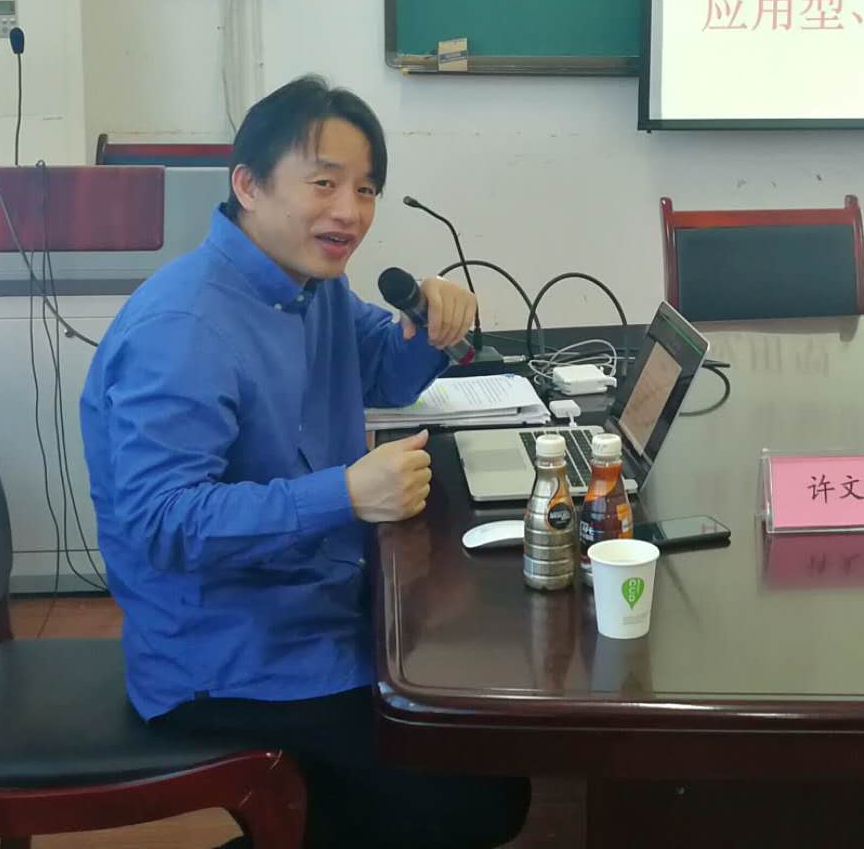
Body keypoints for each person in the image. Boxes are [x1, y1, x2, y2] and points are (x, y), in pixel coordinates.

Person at [79, 75, 530, 847]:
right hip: (226, 653)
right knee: (478, 795)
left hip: (310, 602)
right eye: (323, 183)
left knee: (480, 718)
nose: (349, 211)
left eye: (365, 188)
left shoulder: (306, 285)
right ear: (248, 185)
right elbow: (162, 523)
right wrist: (344, 495)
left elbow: (382, 368)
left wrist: (432, 322)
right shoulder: (185, 327)